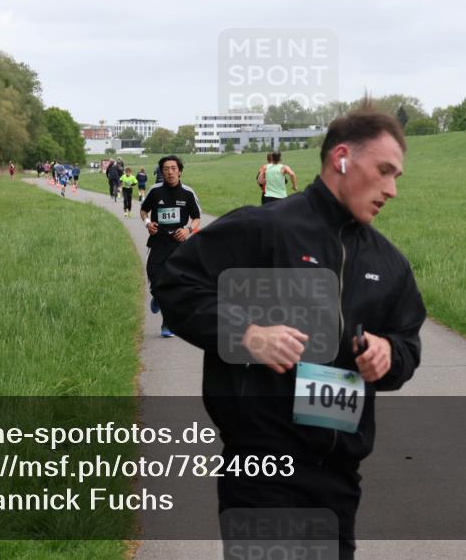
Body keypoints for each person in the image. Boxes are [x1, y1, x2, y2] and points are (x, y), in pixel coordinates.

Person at [153, 103, 426, 559]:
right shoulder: (265, 229)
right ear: (342, 158)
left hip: (338, 476)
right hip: (263, 470)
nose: (392, 190)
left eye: (397, 177)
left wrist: (389, 353)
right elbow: (176, 284)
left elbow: (408, 344)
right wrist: (246, 334)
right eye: (384, 171)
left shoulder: (389, 264)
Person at [140, 155, 202, 338]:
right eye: (166, 169)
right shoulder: (155, 191)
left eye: (174, 168)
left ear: (180, 172)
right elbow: (143, 210)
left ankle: (167, 325)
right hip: (158, 243)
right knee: (155, 280)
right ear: (162, 172)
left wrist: (188, 229)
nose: (170, 172)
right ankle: (157, 297)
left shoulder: (188, 193)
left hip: (178, 245)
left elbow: (197, 217)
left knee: (173, 286)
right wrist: (148, 223)